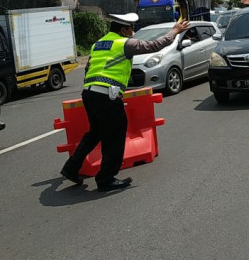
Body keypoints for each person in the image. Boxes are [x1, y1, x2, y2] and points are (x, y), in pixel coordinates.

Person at [60, 13, 190, 192]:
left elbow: (89, 68)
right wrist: (174, 31)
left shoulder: (98, 44)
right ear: (123, 29)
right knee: (114, 136)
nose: (133, 32)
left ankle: (71, 167)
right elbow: (154, 45)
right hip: (107, 96)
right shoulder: (124, 44)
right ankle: (106, 179)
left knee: (95, 132)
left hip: (89, 94)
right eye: (131, 29)